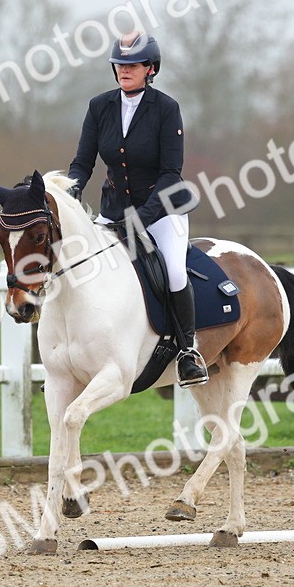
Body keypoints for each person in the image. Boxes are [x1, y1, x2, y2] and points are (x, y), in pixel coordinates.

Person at [67, 30, 208, 387]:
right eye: (119, 64)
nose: (124, 70)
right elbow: (83, 162)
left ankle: (188, 351)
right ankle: (72, 354)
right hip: (113, 210)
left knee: (174, 271)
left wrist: (143, 219)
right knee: (80, 265)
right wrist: (70, 191)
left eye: (133, 64)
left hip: (161, 212)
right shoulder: (99, 107)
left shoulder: (166, 109)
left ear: (150, 68)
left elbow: (170, 173)